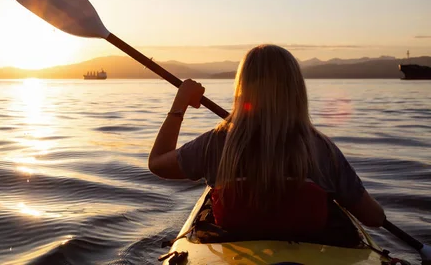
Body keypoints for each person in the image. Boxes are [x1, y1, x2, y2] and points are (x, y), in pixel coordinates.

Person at [148, 44, 385, 236]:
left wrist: (180, 103)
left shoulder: (216, 143)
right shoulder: (322, 149)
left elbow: (157, 163)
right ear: (296, 90)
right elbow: (373, 218)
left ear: (242, 88)